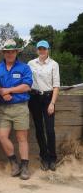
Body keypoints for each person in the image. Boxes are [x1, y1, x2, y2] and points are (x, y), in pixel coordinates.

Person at [0, 39, 33, 180]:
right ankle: (14, 163)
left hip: (20, 107)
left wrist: (8, 90)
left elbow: (27, 86)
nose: (10, 54)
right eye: (7, 52)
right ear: (4, 53)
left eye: (12, 51)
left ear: (16, 52)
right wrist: (1, 92)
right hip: (4, 109)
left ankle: (25, 167)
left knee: (22, 138)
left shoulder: (24, 68)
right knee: (1, 136)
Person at [28, 40, 60, 171]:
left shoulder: (53, 64)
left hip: (48, 98)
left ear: (48, 50)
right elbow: (26, 80)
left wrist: (52, 103)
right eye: (40, 49)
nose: (42, 51)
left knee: (50, 130)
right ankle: (44, 157)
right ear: (37, 50)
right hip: (34, 98)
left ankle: (53, 158)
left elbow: (56, 85)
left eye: (44, 49)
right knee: (39, 129)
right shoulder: (30, 64)